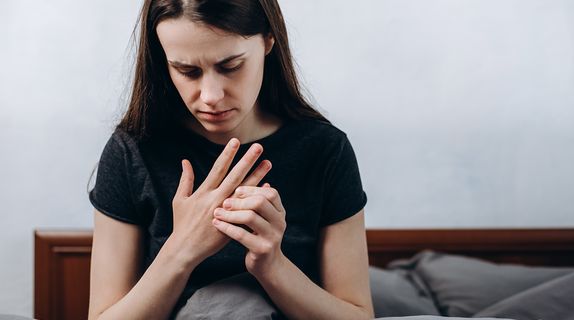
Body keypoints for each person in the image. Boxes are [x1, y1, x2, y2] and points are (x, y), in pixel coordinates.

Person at [87, 0, 373, 319]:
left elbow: (358, 314)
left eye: (230, 66)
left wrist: (272, 265)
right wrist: (182, 249)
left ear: (268, 40)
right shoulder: (133, 149)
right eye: (187, 71)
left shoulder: (324, 150)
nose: (210, 96)